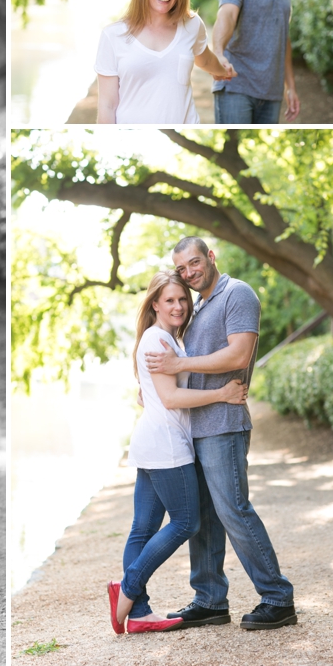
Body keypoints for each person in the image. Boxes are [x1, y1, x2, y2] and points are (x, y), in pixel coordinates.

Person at [146, 237, 297, 630]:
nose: (189, 272)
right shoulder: (197, 308)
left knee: (233, 510)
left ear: (211, 257)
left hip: (223, 426)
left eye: (195, 262)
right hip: (195, 429)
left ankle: (278, 598)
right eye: (182, 269)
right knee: (205, 517)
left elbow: (239, 355)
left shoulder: (237, 294)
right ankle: (210, 600)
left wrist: (180, 361)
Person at [108, 271, 248, 635]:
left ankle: (138, 612)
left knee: (142, 528)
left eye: (183, 299)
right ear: (155, 304)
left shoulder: (164, 339)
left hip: (153, 440)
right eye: (169, 300)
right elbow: (170, 399)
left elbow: (158, 393)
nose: (179, 306)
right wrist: (222, 394)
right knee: (187, 522)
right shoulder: (158, 340)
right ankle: (128, 588)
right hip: (167, 445)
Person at [95, 0, 236, 124]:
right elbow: (107, 105)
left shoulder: (192, 25)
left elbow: (205, 59)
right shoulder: (113, 36)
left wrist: (222, 70)